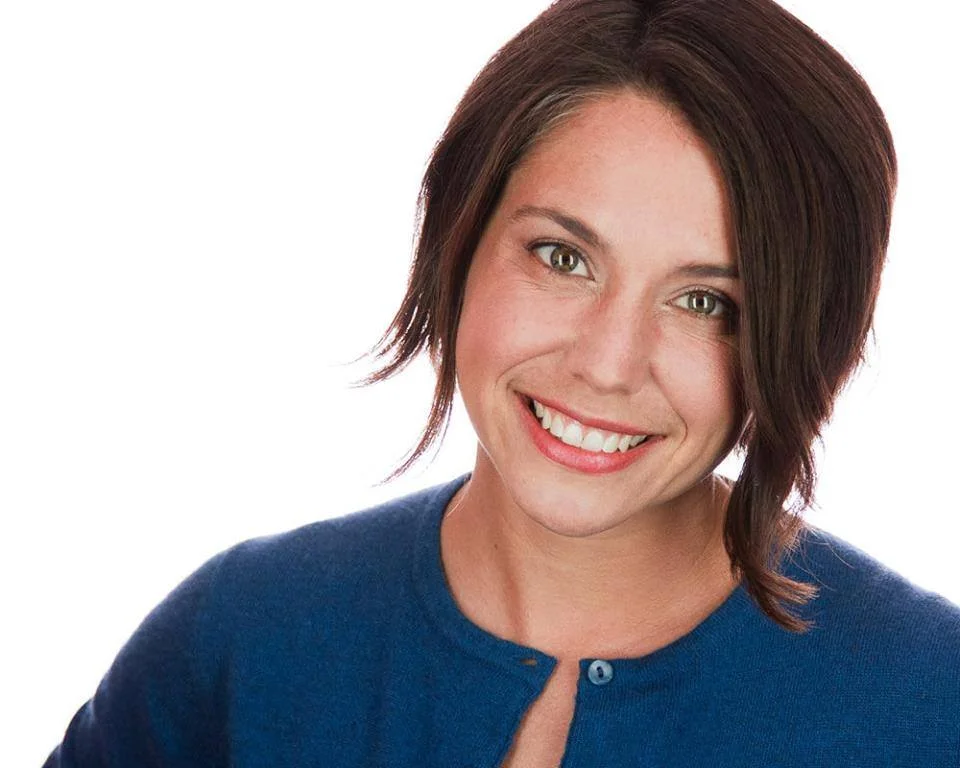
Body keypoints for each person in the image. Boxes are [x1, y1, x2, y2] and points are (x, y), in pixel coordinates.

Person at [45, 0, 960, 765]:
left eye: (705, 302)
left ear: (806, 340)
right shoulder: (245, 640)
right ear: (459, 238)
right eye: (562, 257)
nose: (606, 363)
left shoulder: (929, 703)